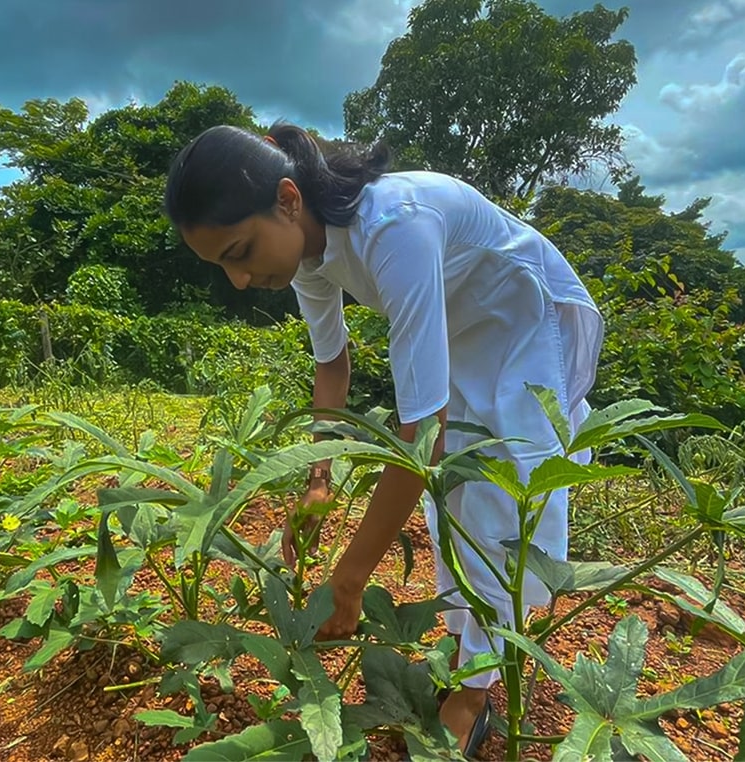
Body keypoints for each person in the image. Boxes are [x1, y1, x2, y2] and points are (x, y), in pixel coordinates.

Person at [164, 123, 603, 756]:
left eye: (239, 252)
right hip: (461, 324)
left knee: (500, 491)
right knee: (452, 492)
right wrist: (317, 481)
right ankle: (469, 644)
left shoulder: (395, 225)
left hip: (523, 316)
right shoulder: (307, 256)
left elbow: (419, 438)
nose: (238, 280)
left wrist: (348, 579)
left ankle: (478, 688)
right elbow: (332, 368)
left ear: (288, 200)